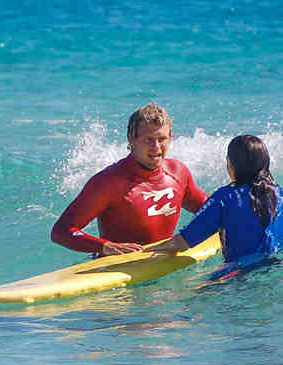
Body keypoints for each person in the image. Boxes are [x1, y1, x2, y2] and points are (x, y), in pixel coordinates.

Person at [51, 103, 207, 256]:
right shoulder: (109, 182)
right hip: (117, 271)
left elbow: (211, 212)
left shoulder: (178, 173)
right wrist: (105, 246)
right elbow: (61, 231)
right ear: (131, 139)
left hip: (162, 266)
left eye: (162, 139)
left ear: (170, 138)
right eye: (148, 139)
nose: (156, 147)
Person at [153, 134, 283, 265]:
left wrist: (147, 250)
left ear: (232, 165)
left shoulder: (224, 198)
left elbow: (183, 243)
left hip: (238, 276)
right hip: (281, 268)